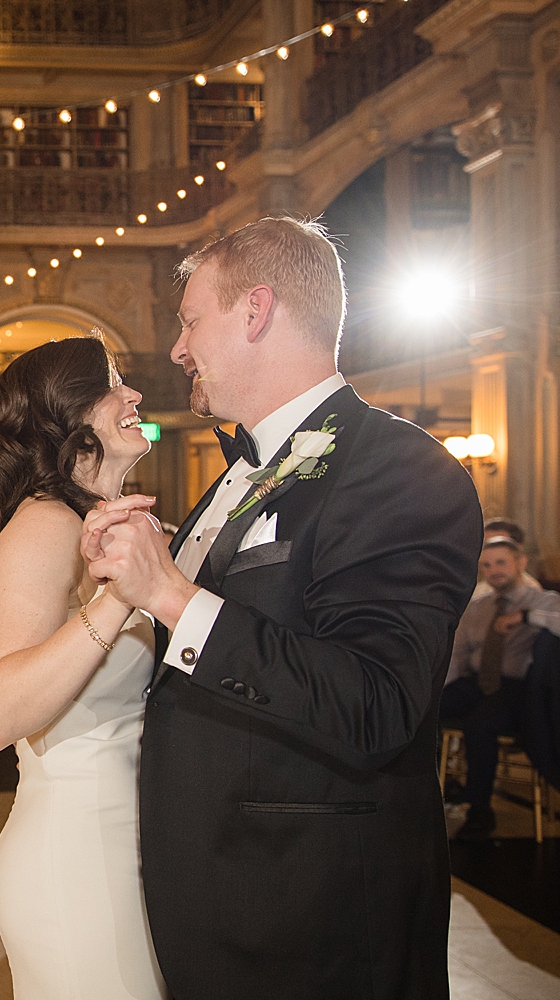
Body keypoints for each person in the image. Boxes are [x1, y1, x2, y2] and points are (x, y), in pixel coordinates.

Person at [82, 217, 482, 999]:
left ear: (255, 311)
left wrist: (170, 592)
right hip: (214, 900)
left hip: (310, 920)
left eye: (192, 319)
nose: (177, 348)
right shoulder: (232, 476)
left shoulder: (401, 470)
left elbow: (376, 703)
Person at [0, 337, 165, 999]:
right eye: (113, 383)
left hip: (121, 843)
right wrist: (117, 601)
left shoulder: (93, 521)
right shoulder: (46, 524)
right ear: (68, 415)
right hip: (77, 859)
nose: (135, 395)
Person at [443, 535, 560, 839]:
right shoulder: (477, 607)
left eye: (500, 563)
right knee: (422, 709)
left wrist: (526, 617)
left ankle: (479, 810)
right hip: (477, 682)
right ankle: (434, 790)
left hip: (517, 688)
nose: (494, 571)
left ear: (520, 562)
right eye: (486, 565)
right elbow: (458, 652)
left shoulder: (542, 601)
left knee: (479, 725)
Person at [471, 518, 541, 602]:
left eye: (499, 544)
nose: (490, 551)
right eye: (486, 545)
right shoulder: (479, 591)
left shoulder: (532, 594)